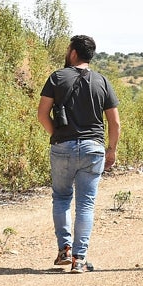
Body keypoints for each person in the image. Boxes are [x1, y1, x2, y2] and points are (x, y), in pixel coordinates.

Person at [37, 35, 121, 273]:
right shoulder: (102, 81)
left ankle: (63, 249)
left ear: (73, 53)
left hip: (62, 147)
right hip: (93, 148)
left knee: (62, 197)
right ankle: (79, 259)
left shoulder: (56, 77)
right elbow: (114, 123)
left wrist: (58, 135)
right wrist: (111, 150)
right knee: (86, 204)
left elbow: (42, 114)